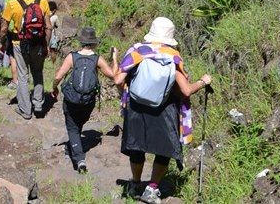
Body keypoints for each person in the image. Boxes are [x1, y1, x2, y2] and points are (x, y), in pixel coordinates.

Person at [112, 17, 213, 204]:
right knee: (164, 150)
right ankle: (152, 189)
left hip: (136, 107)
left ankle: (135, 184)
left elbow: (118, 80)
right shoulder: (173, 56)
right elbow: (186, 90)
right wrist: (203, 81)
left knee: (136, 146)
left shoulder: (137, 51)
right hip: (164, 109)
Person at [52, 27, 117, 173]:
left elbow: (58, 76)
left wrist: (54, 88)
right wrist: (113, 58)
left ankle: (80, 159)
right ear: (94, 43)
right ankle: (76, 145)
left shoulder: (72, 57)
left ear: (81, 41)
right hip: (88, 101)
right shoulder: (97, 59)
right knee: (78, 123)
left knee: (73, 128)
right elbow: (113, 74)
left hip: (71, 99)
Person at [1, 0, 53, 119]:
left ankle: (25, 109)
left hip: (19, 44)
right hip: (38, 43)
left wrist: (1, 41)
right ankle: (38, 105)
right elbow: (48, 27)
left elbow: (4, 28)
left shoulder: (12, 3)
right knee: (38, 73)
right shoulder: (42, 1)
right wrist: (46, 45)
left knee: (23, 76)